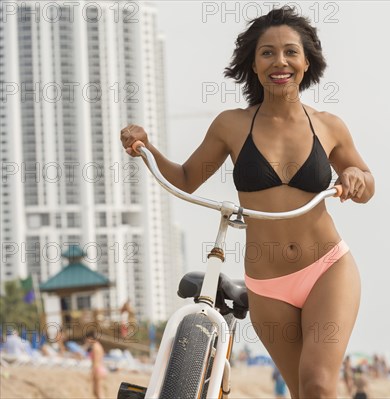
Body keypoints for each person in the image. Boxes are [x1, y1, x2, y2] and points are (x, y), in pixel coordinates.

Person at [120, 6, 374, 398]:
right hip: (268, 284)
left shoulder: (329, 125)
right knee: (300, 392)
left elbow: (367, 183)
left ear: (307, 61)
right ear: (253, 65)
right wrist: (146, 148)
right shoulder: (232, 125)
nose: (280, 61)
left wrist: (357, 178)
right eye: (267, 52)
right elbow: (187, 179)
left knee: (320, 386)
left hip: (328, 267)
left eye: (290, 51)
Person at [85, 330, 107, 399]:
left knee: (99, 393)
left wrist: (92, 374)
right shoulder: (98, 345)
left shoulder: (95, 347)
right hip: (100, 369)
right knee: (95, 392)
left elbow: (96, 363)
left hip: (98, 370)